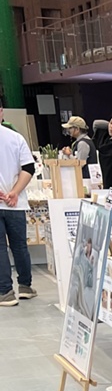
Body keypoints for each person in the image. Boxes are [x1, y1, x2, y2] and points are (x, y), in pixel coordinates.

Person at [0, 92, 38, 307]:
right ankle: (25, 286)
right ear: (2, 112)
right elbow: (29, 167)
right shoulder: (15, 138)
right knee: (19, 246)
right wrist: (14, 192)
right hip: (15, 204)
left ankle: (5, 292)